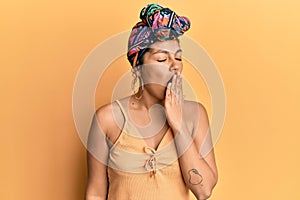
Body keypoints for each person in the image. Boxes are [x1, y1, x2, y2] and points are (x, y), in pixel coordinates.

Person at [85, 4, 218, 200]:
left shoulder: (195, 115)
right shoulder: (107, 119)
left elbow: (204, 190)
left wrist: (178, 125)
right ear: (138, 65)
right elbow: (95, 193)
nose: (175, 67)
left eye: (178, 57)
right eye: (162, 59)